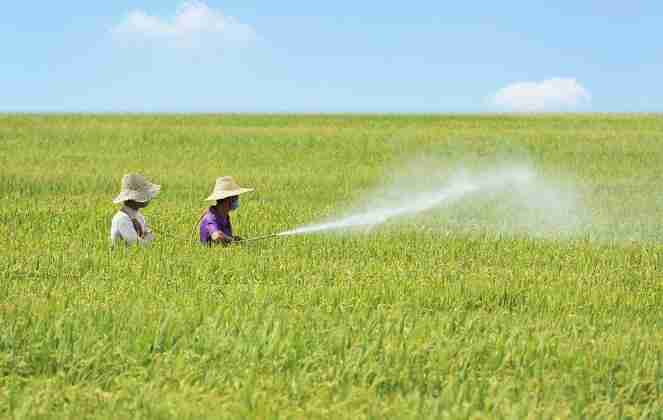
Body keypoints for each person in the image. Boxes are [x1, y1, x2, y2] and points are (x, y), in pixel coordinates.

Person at [199, 176, 253, 245]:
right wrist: (232, 240)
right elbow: (216, 236)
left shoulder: (224, 216)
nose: (237, 200)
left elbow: (225, 238)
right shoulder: (210, 218)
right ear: (227, 200)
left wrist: (234, 238)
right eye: (235, 198)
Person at [110, 173, 160, 246]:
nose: (148, 199)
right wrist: (149, 239)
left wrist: (149, 235)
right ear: (133, 199)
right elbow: (135, 243)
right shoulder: (121, 219)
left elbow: (146, 233)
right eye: (143, 196)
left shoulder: (139, 216)